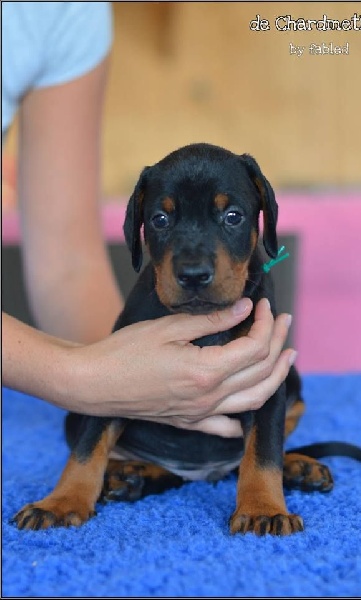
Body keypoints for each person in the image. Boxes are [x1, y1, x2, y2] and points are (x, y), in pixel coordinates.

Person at [1, 2, 296, 438]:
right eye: (161, 220)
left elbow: (67, 267)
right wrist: (82, 380)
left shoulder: (66, 10)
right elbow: (90, 380)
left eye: (233, 216)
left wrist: (136, 388)